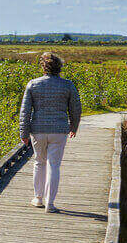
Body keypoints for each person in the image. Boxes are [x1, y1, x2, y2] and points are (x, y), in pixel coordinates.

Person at [18, 52, 82, 213]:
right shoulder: (68, 85)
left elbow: (25, 111)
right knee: (54, 165)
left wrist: (24, 133)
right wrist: (74, 127)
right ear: (59, 67)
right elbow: (76, 109)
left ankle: (38, 198)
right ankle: (50, 204)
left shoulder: (33, 84)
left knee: (39, 162)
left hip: (38, 130)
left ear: (43, 67)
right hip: (59, 130)